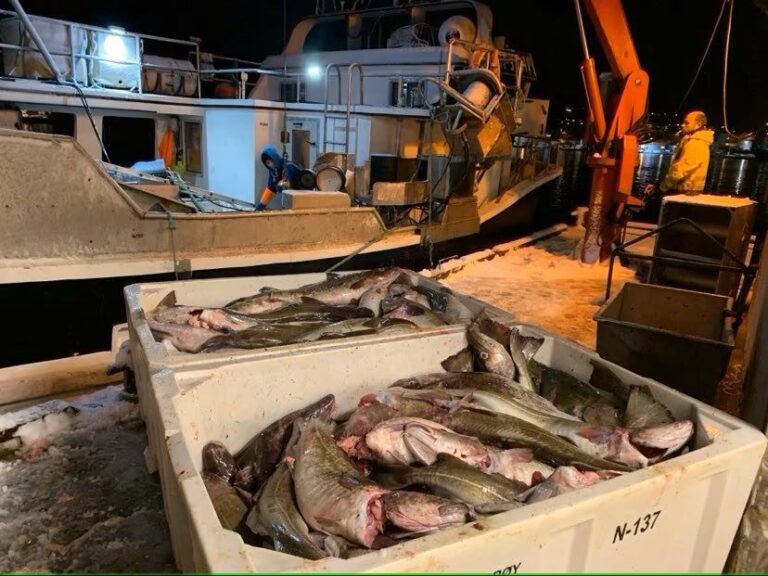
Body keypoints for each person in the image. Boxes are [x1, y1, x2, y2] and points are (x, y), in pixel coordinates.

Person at [645, 110, 714, 197]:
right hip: (685, 192)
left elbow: (680, 169)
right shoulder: (691, 141)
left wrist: (662, 187)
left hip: (685, 193)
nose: (682, 125)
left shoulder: (695, 143)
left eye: (686, 123)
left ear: (698, 125)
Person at [256, 145, 301, 211]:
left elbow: (289, 184)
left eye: (271, 161)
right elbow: (271, 188)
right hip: (291, 201)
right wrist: (260, 207)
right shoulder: (273, 172)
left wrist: (283, 184)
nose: (271, 164)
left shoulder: (289, 166)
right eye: (268, 163)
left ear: (275, 158)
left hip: (301, 196)